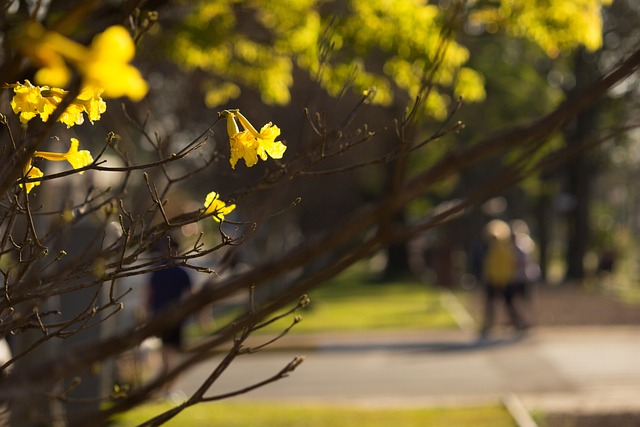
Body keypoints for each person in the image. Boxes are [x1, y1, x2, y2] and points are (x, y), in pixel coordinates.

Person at [147, 240, 192, 393]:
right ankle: (166, 389)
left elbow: (148, 295)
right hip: (172, 318)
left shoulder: (158, 270)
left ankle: (165, 388)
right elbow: (192, 297)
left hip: (165, 317)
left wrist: (147, 313)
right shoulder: (180, 271)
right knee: (170, 356)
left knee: (167, 355)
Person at [480, 219, 527, 337]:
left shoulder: (500, 250)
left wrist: (500, 280)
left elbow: (503, 267)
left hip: (501, 281)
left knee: (506, 304)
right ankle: (491, 324)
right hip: (498, 280)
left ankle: (517, 322)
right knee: (501, 304)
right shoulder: (499, 249)